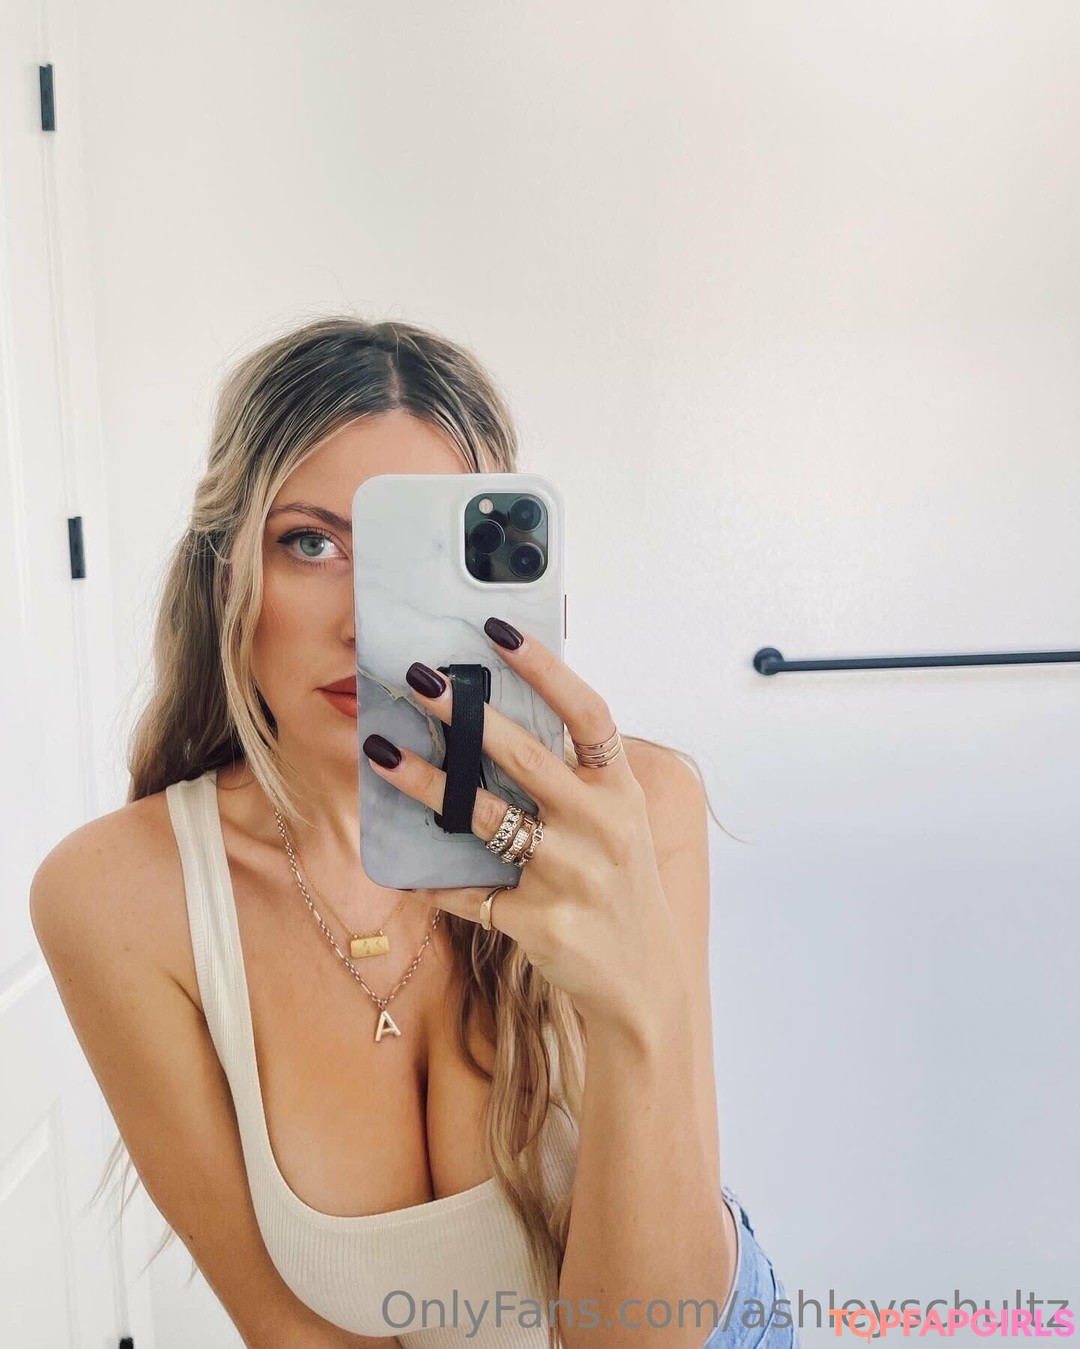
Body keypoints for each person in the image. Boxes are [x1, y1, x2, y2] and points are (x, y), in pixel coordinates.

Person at [29, 316, 799, 1347]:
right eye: (311, 543)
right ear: (226, 579)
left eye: (425, 559)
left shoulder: (637, 815)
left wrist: (637, 1006)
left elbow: (652, 1332)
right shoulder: (119, 897)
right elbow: (293, 1333)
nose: (366, 623)